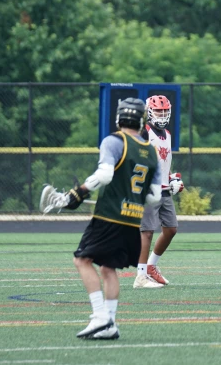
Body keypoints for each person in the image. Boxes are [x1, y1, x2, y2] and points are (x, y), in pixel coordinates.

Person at [46, 98, 162, 339]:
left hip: (109, 217)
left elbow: (106, 174)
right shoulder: (150, 151)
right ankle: (110, 325)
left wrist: (76, 194)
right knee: (109, 269)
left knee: (82, 260)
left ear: (119, 118)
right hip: (132, 221)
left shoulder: (114, 141)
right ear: (141, 121)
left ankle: (100, 317)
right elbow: (154, 197)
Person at [133, 95, 184, 289]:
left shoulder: (167, 135)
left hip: (163, 190)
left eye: (164, 111)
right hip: (148, 191)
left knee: (171, 229)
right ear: (149, 112)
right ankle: (141, 276)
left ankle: (152, 266)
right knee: (146, 232)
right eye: (158, 111)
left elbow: (164, 165)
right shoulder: (144, 134)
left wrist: (173, 179)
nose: (161, 114)